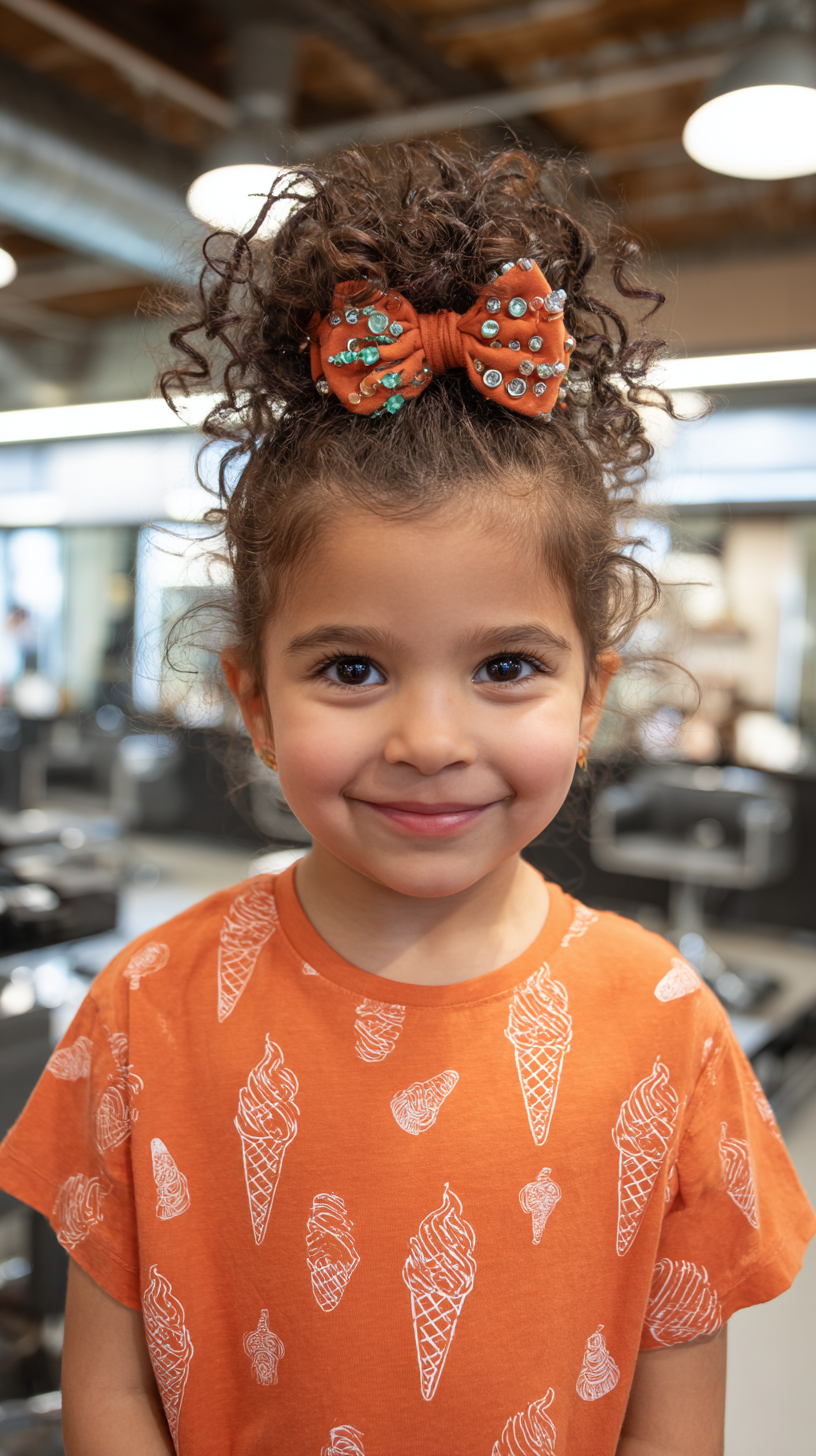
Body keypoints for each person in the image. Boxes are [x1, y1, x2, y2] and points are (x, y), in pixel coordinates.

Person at [0, 145, 812, 1456]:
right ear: (254, 699)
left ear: (590, 695)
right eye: (353, 667)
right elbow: (109, 1390)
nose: (431, 739)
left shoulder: (671, 1032)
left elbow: (679, 1428)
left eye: (505, 667)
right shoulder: (145, 1014)